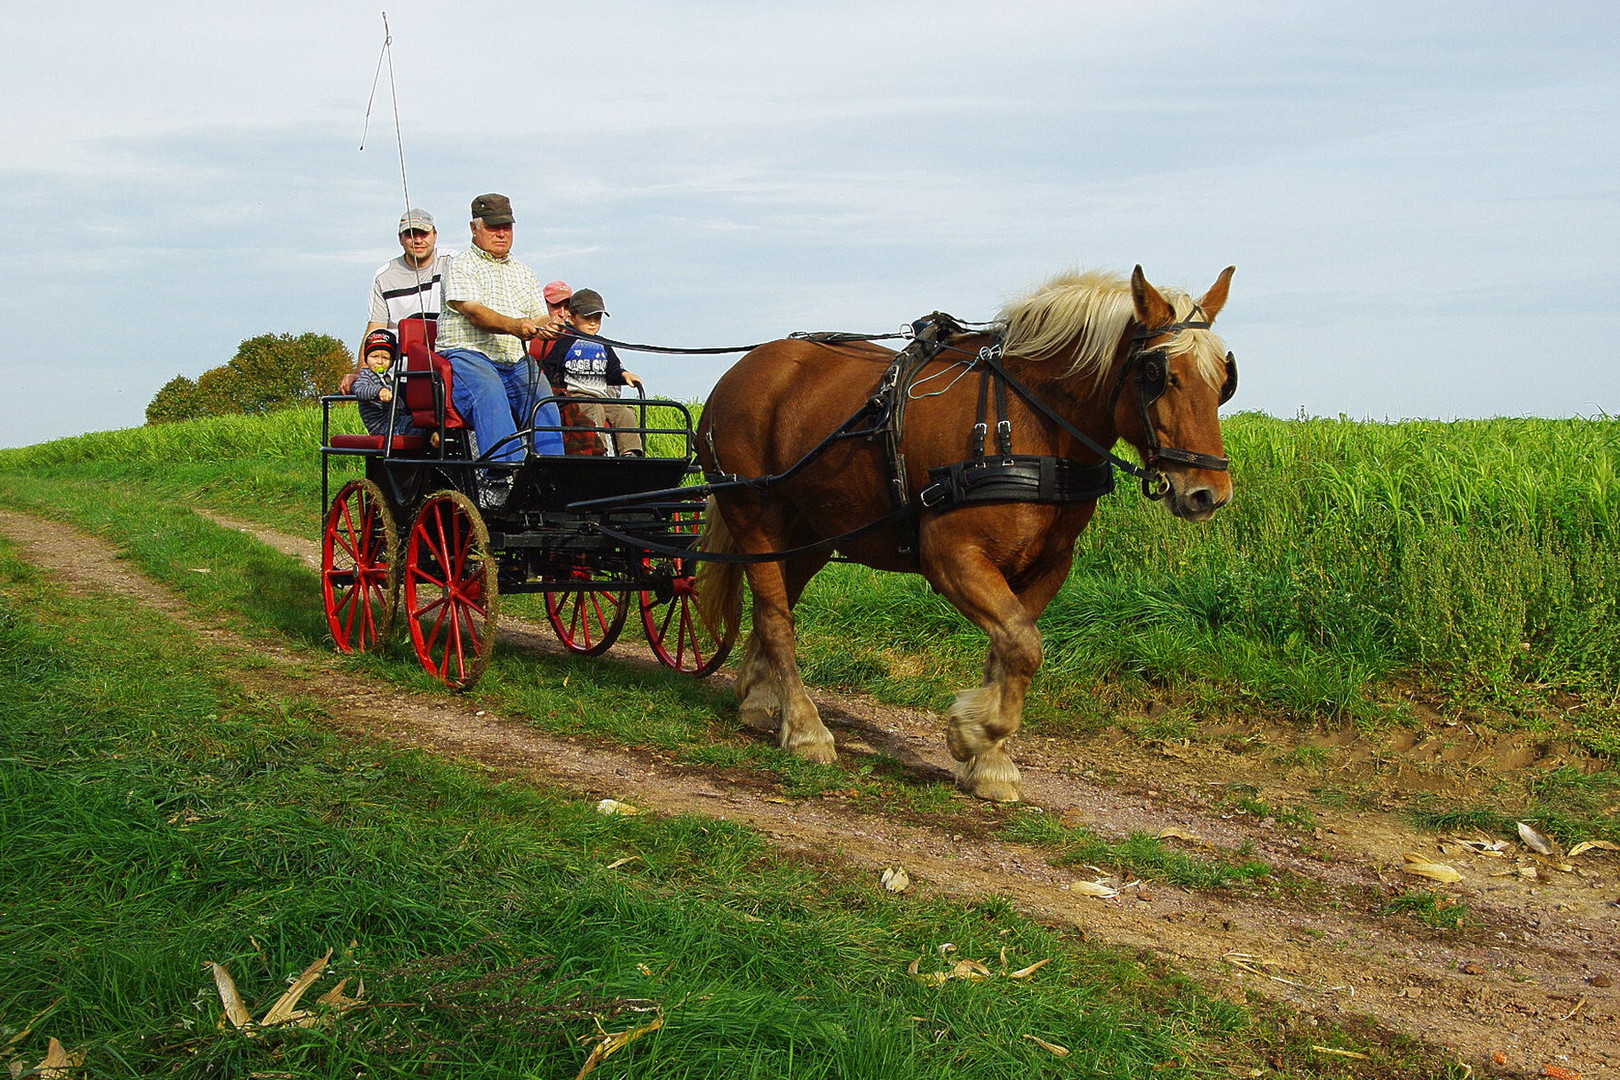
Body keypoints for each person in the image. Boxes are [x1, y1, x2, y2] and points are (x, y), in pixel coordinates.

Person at [436, 193, 565, 476]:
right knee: (489, 391)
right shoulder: (460, 265)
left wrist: (552, 324)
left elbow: (538, 315)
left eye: (506, 227)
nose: (501, 233)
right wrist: (517, 326)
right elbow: (474, 312)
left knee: (543, 395)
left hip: (513, 359)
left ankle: (553, 473)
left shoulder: (524, 271)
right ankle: (502, 474)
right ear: (474, 228)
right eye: (494, 227)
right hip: (467, 353)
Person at [339, 209, 456, 394]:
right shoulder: (384, 276)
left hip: (450, 362)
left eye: (423, 233)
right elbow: (376, 329)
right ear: (400, 239)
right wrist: (362, 373)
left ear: (435, 235)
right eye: (410, 235)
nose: (417, 240)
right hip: (399, 371)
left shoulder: (454, 263)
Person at [541, 288, 646, 456]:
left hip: (602, 396)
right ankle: (599, 451)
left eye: (597, 318)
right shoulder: (565, 343)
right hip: (577, 397)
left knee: (624, 413)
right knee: (595, 410)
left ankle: (631, 452)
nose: (593, 323)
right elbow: (549, 369)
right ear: (572, 318)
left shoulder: (603, 344)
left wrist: (624, 374)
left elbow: (612, 369)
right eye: (587, 318)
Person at [352, 328, 418, 436]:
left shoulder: (387, 378)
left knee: (420, 421)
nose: (380, 362)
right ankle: (433, 439)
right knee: (417, 429)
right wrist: (379, 391)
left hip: (396, 421)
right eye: (374, 356)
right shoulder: (366, 374)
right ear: (366, 358)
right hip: (382, 426)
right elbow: (359, 389)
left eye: (385, 358)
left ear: (392, 362)